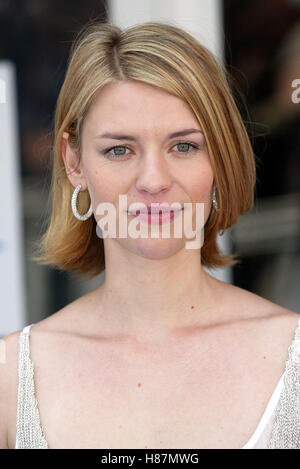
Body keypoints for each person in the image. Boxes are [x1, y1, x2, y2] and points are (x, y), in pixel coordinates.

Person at [1, 20, 299, 450]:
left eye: (184, 146)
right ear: (74, 162)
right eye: (119, 150)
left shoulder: (293, 358)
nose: (154, 180)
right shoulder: (11, 378)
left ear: (220, 157)